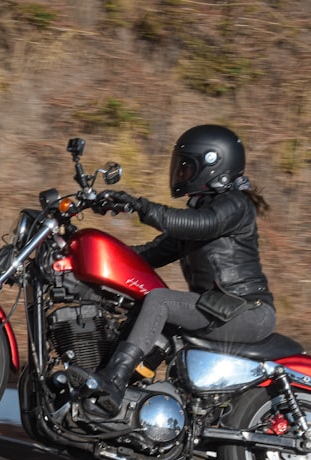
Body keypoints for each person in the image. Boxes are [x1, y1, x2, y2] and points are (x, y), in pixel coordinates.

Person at [79, 124, 277, 417]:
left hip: (245, 310)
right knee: (141, 307)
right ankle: (126, 398)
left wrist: (139, 206)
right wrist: (99, 253)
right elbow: (152, 253)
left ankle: (114, 382)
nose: (181, 173)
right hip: (219, 308)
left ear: (213, 165)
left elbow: (195, 224)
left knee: (161, 300)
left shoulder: (235, 206)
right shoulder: (204, 209)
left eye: (187, 166)